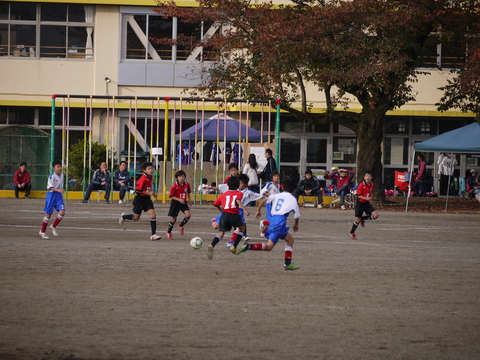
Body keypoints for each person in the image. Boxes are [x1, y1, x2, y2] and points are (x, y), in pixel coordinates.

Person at [237, 177, 301, 271]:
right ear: (294, 190)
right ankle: (248, 246)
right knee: (269, 247)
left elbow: (263, 200)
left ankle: (288, 263)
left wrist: (258, 210)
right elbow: (296, 215)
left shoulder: (277, 195)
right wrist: (296, 224)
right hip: (280, 222)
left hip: (274, 219)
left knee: (290, 240)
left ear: (282, 188)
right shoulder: (293, 199)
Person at [207, 176, 250, 260]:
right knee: (242, 228)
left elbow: (215, 204)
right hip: (234, 214)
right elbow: (237, 200)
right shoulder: (239, 193)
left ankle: (212, 245)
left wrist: (222, 211)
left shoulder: (224, 194)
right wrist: (244, 210)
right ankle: (234, 246)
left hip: (225, 215)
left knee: (221, 234)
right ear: (237, 185)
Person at [119, 162, 162, 241]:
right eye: (149, 169)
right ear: (144, 170)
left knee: (153, 215)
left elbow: (148, 188)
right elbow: (138, 191)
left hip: (147, 199)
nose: (151, 170)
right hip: (139, 199)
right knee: (136, 218)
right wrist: (149, 193)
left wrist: (153, 193)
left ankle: (153, 235)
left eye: (152, 168)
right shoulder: (143, 178)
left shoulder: (150, 177)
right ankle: (123, 217)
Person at [39, 160, 65, 240]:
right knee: (48, 214)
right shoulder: (52, 176)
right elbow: (50, 187)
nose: (59, 168)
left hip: (58, 196)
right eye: (58, 167)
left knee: (62, 212)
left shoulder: (62, 176)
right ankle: (42, 232)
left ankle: (53, 226)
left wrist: (59, 191)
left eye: (60, 166)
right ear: (54, 168)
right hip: (51, 195)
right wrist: (58, 190)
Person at [349, 171, 379, 240]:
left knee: (375, 215)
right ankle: (352, 232)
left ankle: (362, 219)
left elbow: (371, 191)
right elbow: (359, 196)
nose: (368, 177)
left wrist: (372, 197)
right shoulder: (361, 185)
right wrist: (366, 198)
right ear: (364, 177)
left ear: (372, 178)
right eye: (366, 176)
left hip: (367, 203)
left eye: (369, 176)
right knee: (357, 220)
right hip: (361, 203)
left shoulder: (372, 184)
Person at [166, 170, 192, 240]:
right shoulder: (174, 186)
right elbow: (171, 196)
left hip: (183, 202)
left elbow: (188, 192)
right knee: (174, 219)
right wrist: (179, 199)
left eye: (183, 176)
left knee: (188, 215)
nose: (181, 178)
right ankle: (168, 232)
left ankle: (181, 225)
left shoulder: (187, 184)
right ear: (177, 178)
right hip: (175, 203)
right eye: (180, 177)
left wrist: (189, 200)